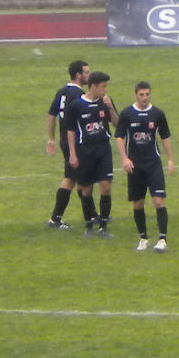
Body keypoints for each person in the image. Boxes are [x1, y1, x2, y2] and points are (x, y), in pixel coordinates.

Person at [117, 81, 175, 251]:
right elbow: (119, 137)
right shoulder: (127, 114)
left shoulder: (157, 113)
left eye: (147, 94)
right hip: (135, 165)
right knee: (138, 204)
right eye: (141, 94)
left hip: (153, 163)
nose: (144, 97)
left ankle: (162, 239)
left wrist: (171, 159)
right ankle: (143, 238)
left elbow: (165, 136)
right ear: (135, 95)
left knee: (158, 200)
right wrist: (124, 159)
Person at [64, 71, 117, 235]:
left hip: (103, 149)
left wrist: (110, 107)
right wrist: (72, 154)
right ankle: (89, 226)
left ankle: (103, 227)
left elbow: (117, 124)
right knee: (86, 190)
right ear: (93, 86)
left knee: (106, 187)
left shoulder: (105, 102)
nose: (105, 90)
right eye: (103, 87)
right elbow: (71, 131)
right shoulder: (76, 106)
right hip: (85, 151)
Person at [46, 60, 90, 229]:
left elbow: (51, 115)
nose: (88, 75)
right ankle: (56, 218)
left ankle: (92, 214)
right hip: (74, 141)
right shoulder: (79, 95)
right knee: (72, 178)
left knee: (79, 177)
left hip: (64, 139)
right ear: (78, 75)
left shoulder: (61, 92)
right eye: (86, 72)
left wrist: (51, 138)